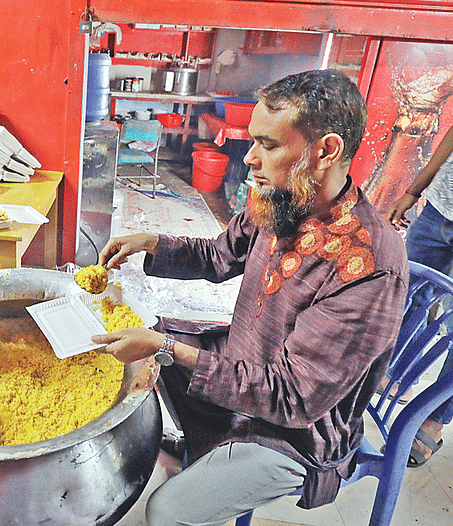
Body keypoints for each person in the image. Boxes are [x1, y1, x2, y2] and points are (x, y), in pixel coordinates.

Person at [93, 69, 408, 526]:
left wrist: (167, 350)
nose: (251, 159)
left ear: (327, 151)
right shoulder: (282, 197)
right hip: (245, 364)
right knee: (143, 357)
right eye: (253, 141)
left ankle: (216, 455)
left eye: (269, 144)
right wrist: (151, 243)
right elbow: (220, 255)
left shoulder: (368, 265)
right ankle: (203, 444)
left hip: (296, 431)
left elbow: (295, 399)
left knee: (167, 513)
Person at [385, 124, 453, 467]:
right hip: (440, 208)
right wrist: (414, 191)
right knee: (408, 294)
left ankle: (433, 420)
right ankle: (394, 376)